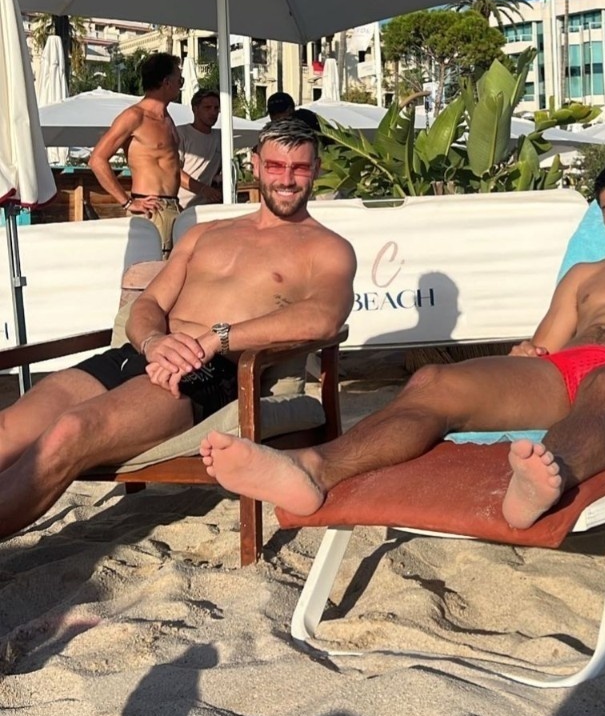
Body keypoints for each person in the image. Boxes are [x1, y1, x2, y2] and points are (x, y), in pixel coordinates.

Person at [200, 158, 605, 530]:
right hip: (560, 372)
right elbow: (544, 346)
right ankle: (314, 469)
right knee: (434, 381)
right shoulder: (585, 274)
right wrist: (526, 354)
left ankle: (547, 479)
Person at [0, 119, 357, 540]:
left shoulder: (327, 248)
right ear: (256, 165)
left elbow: (323, 318)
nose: (286, 179)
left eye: (299, 168)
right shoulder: (205, 233)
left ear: (316, 169)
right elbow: (148, 304)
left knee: (71, 432)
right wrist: (154, 342)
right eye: (276, 166)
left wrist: (215, 339)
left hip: (209, 372)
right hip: (140, 354)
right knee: (7, 431)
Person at [89, 52, 183, 256]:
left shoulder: (167, 118)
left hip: (173, 206)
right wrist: (128, 202)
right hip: (151, 208)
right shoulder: (135, 116)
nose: (181, 85)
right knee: (153, 270)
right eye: (179, 80)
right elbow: (97, 159)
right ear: (166, 82)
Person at [177, 88, 222, 209]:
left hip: (209, 206)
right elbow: (174, 171)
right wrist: (203, 189)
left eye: (216, 108)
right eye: (207, 108)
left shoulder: (221, 137)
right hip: (182, 205)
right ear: (195, 109)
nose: (213, 112)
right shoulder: (181, 133)